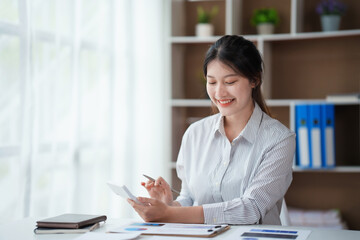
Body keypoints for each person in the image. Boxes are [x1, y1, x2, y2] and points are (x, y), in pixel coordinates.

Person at [128, 35, 296, 225]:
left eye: (230, 82)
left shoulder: (279, 139)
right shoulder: (194, 133)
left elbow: (251, 209)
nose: (219, 93)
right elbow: (190, 198)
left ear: (254, 80)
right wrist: (169, 205)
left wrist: (168, 214)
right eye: (212, 82)